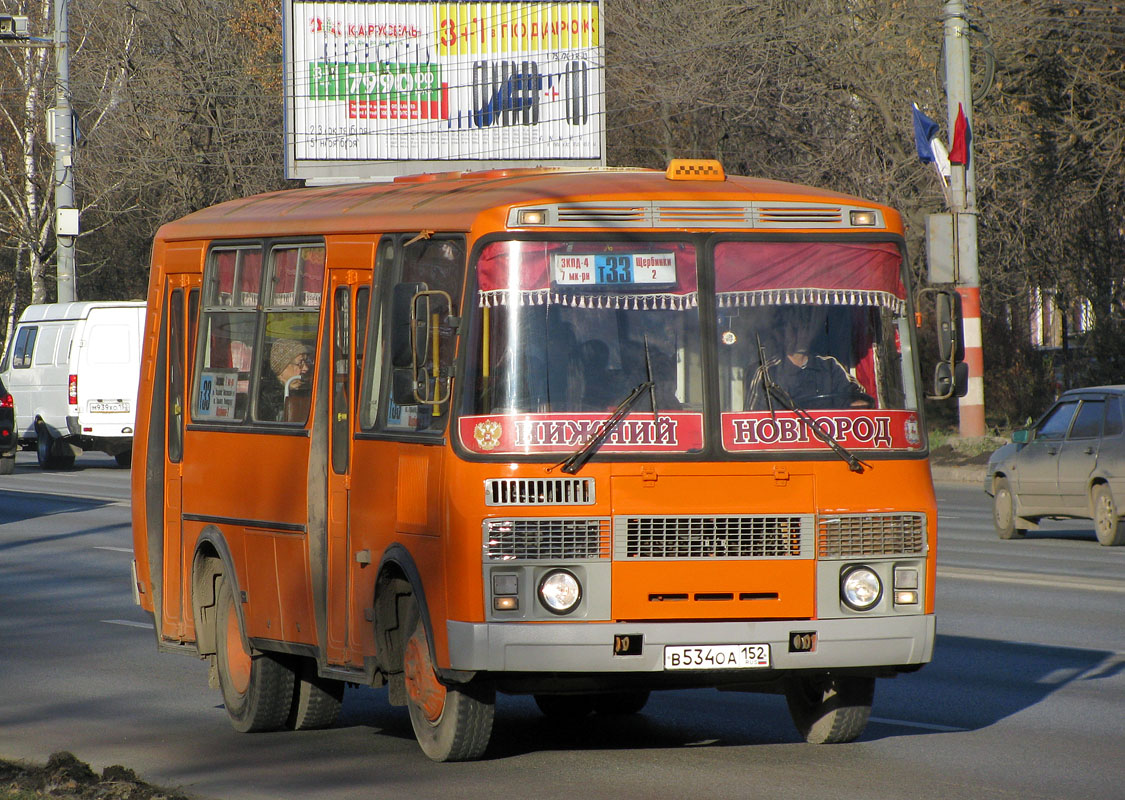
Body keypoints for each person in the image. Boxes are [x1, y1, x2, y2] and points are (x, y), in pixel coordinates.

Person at [747, 306, 873, 410]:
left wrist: (857, 403)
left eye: (805, 328)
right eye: (794, 329)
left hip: (829, 439)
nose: (801, 336)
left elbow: (861, 400)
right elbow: (754, 420)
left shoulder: (830, 366)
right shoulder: (767, 373)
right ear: (779, 334)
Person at [258, 338, 314, 421]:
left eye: (306, 362)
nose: (306, 368)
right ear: (283, 368)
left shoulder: (307, 391)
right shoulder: (268, 401)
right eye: (300, 363)